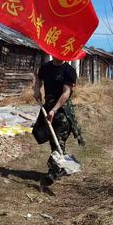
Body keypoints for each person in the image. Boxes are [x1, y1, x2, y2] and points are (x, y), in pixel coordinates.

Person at [33, 57, 83, 188]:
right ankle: (60, 167)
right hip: (48, 107)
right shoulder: (45, 67)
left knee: (59, 140)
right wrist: (36, 90)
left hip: (62, 111)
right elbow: (38, 79)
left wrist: (54, 110)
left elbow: (66, 93)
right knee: (50, 138)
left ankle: (52, 173)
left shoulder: (69, 70)